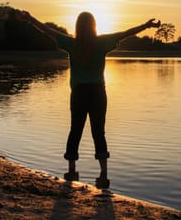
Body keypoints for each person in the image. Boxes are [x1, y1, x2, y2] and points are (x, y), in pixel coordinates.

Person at [19, 10, 160, 189]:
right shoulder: (102, 43)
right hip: (98, 93)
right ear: (94, 26)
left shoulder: (71, 43)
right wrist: (146, 25)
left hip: (78, 93)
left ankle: (71, 171)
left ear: (78, 26)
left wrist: (30, 18)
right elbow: (126, 33)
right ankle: (103, 175)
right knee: (98, 132)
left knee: (75, 131)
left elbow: (47, 31)